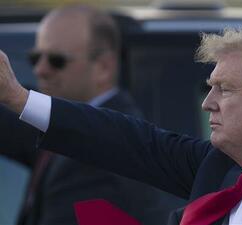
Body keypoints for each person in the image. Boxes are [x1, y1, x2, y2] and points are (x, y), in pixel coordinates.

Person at [0, 28, 242, 225]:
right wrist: (19, 98)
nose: (207, 102)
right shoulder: (220, 167)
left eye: (225, 89)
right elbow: (124, 140)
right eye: (210, 87)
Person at [0, 4, 185, 225]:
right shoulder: (69, 126)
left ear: (104, 67)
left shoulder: (99, 152)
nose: (40, 69)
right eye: (35, 58)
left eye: (56, 60)